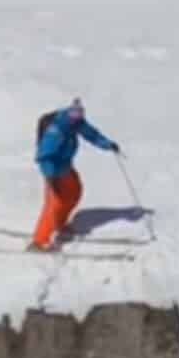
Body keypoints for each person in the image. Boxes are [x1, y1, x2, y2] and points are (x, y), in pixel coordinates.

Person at [28, 98, 120, 251]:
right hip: (52, 170)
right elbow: (44, 155)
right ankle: (38, 241)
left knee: (74, 192)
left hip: (66, 167)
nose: (77, 118)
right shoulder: (56, 130)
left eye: (79, 114)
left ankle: (59, 223)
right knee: (55, 203)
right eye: (74, 114)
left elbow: (92, 135)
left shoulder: (76, 123)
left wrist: (108, 144)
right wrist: (50, 176)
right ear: (68, 113)